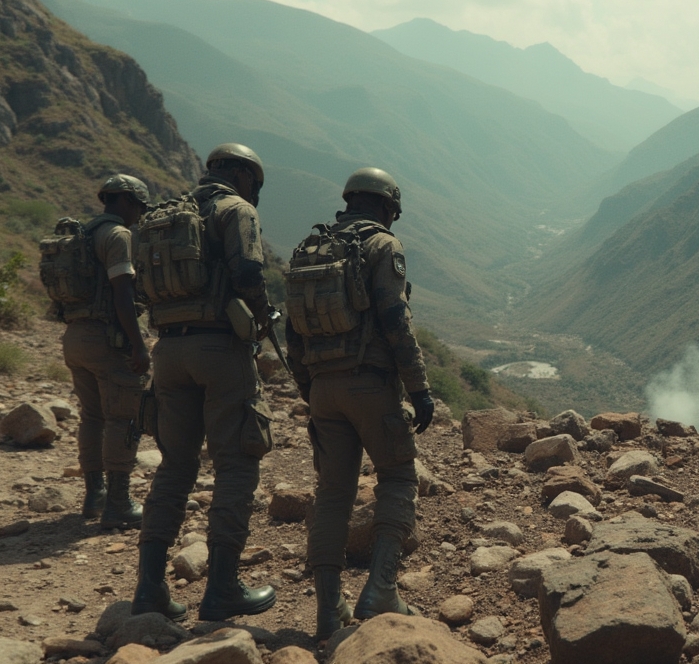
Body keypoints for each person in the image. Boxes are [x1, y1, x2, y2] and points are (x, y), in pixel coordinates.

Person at [285, 167, 434, 640]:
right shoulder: (382, 246)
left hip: (323, 389)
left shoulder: (311, 247)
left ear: (349, 201)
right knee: (396, 476)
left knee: (332, 494)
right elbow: (395, 321)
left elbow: (292, 328)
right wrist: (419, 388)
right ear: (388, 208)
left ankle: (329, 611)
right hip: (369, 384)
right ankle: (381, 589)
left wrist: (309, 386)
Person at [132, 143, 277, 622]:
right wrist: (263, 319)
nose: (255, 192)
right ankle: (221, 590)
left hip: (168, 352)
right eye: (255, 182)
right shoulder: (235, 211)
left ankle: (149, 589)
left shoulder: (166, 217)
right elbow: (248, 272)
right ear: (240, 174)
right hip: (219, 349)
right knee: (236, 464)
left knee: (174, 467)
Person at [59, 174, 152, 530]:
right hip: (105, 340)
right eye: (139, 208)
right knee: (123, 417)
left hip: (75, 337)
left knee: (92, 417)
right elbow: (122, 294)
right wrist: (139, 345)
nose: (139, 216)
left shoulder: (83, 234)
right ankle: (118, 503)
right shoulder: (117, 236)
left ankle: (94, 494)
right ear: (127, 201)